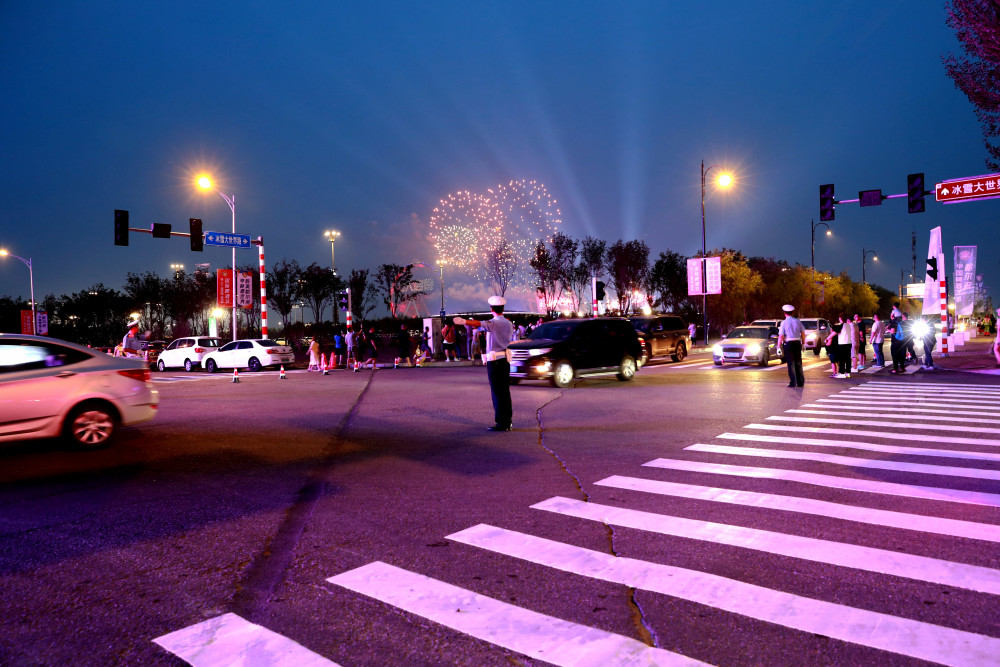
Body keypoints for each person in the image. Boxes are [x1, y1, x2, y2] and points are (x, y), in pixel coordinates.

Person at [454, 296, 514, 431]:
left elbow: (479, 324)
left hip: (495, 361)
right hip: (505, 360)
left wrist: (464, 321)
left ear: (491, 309)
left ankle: (502, 423)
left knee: (497, 392)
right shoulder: (508, 323)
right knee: (505, 392)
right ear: (503, 309)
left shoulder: (493, 323)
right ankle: (507, 421)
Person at [777, 304, 805, 387]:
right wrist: (803, 343)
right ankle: (800, 382)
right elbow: (803, 333)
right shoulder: (798, 321)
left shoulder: (784, 323)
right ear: (792, 313)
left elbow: (781, 336)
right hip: (797, 343)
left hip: (789, 344)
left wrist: (778, 347)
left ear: (785, 313)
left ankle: (793, 382)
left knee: (791, 363)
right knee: (798, 363)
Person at [835, 313, 854, 378]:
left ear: (840, 319)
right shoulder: (848, 325)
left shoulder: (841, 325)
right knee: (848, 358)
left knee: (841, 359)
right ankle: (848, 372)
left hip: (842, 343)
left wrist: (827, 338)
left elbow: (835, 332)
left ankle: (842, 372)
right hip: (849, 343)